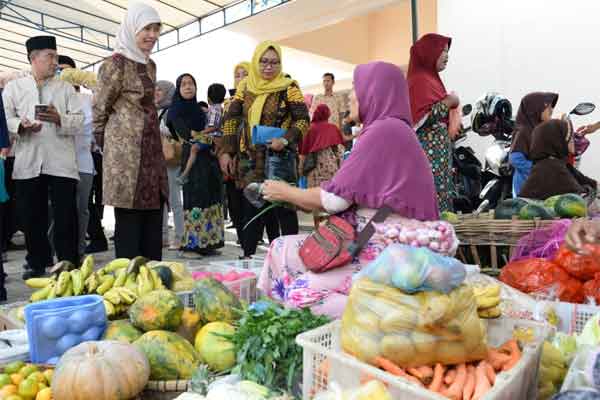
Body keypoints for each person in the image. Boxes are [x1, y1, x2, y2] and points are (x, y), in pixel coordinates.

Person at [258, 61, 439, 317]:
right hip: (369, 240)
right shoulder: (390, 129)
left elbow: (334, 200)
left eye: (357, 87)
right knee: (280, 249)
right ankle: (277, 320)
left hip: (389, 251)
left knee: (302, 293)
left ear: (375, 92)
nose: (352, 95)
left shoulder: (384, 130)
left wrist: (285, 192)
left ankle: (392, 315)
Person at [3, 36, 83, 279]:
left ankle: (68, 262)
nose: (55, 61)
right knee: (31, 215)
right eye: (50, 56)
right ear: (33, 58)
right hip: (28, 159)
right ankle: (37, 262)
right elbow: (4, 118)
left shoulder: (65, 88)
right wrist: (21, 125)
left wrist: (60, 119)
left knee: (65, 214)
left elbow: (79, 120)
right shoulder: (14, 88)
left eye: (56, 56)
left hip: (61, 161)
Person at [220, 41, 310, 259]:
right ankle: (249, 258)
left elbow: (303, 120)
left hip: (279, 159)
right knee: (251, 209)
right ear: (256, 62)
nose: (268, 67)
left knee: (284, 210)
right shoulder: (245, 88)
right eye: (264, 62)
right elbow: (231, 119)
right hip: (251, 160)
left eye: (274, 62)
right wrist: (227, 151)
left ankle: (291, 260)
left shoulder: (289, 87)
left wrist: (285, 140)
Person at [93, 3, 167, 260]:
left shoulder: (150, 65)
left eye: (156, 29)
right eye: (146, 28)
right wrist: (111, 145)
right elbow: (99, 108)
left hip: (151, 155)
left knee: (153, 220)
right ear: (132, 28)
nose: (152, 35)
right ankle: (129, 287)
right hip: (126, 158)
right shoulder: (114, 64)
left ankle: (154, 285)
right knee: (130, 222)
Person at [167, 74, 224, 257]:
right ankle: (191, 246)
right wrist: (211, 139)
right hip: (191, 156)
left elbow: (207, 130)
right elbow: (187, 134)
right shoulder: (175, 110)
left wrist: (209, 139)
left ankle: (209, 243)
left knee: (210, 196)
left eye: (191, 84)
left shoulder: (200, 110)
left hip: (207, 158)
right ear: (178, 88)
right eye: (183, 84)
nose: (188, 87)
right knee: (195, 198)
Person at [407, 33, 459, 213]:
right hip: (428, 156)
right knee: (430, 201)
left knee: (441, 200)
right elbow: (420, 119)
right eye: (442, 50)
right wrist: (448, 102)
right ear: (429, 52)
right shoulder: (420, 81)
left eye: (447, 51)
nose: (446, 55)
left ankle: (441, 237)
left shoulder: (432, 80)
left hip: (438, 156)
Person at [53, 55, 95, 260]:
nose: (64, 75)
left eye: (68, 71)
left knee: (81, 209)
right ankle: (56, 251)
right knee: (58, 210)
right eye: (59, 71)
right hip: (58, 163)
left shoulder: (87, 99)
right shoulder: (51, 98)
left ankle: (78, 252)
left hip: (83, 161)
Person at [519, 119, 596, 200]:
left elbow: (583, 179)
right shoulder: (551, 166)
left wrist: (593, 185)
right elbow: (578, 196)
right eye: (568, 135)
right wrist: (589, 189)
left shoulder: (556, 163)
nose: (572, 139)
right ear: (557, 139)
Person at [300, 104, 345, 228]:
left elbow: (303, 153)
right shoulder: (333, 128)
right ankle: (332, 232)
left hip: (314, 172)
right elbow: (340, 152)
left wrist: (300, 170)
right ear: (328, 114)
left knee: (317, 203)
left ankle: (319, 231)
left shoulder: (310, 129)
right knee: (331, 203)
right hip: (332, 171)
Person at [509, 92, 558, 197]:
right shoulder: (524, 131)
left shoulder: (542, 129)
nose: (551, 110)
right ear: (535, 109)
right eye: (547, 107)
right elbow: (515, 159)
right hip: (525, 189)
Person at [177, 83, 226, 185]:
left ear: (209, 98)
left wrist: (200, 133)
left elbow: (213, 126)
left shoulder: (213, 110)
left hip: (212, 137)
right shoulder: (219, 108)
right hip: (217, 137)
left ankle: (185, 173)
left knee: (193, 146)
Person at [222, 62, 250, 240]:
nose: (240, 78)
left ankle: (251, 239)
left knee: (250, 200)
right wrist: (227, 153)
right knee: (235, 201)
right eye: (237, 75)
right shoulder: (228, 103)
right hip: (233, 158)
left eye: (244, 74)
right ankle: (242, 238)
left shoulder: (256, 99)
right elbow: (226, 130)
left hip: (252, 158)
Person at [156, 80, 184, 251]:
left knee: (174, 200)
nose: (156, 92)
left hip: (170, 160)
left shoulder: (170, 112)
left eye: (160, 90)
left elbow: (179, 135)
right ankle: (163, 236)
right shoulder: (156, 110)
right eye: (155, 89)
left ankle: (180, 236)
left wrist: (160, 133)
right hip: (158, 161)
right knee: (161, 201)